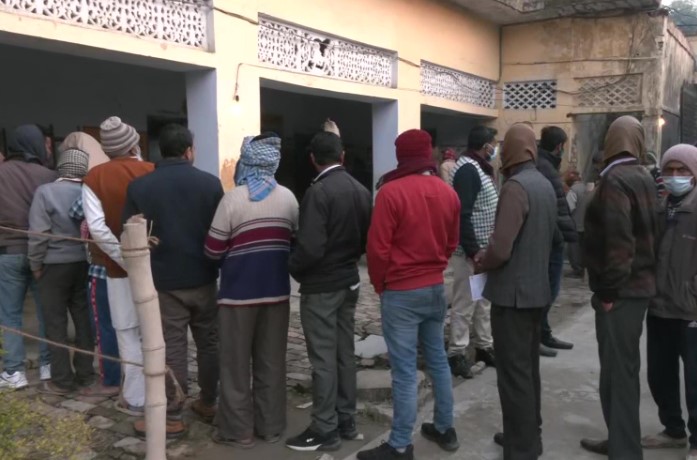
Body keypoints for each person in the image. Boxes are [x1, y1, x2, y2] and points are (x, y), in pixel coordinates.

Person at [359, 129, 460, 460]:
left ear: (401, 155)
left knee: (403, 371)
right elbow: (451, 242)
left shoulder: (390, 193)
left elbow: (377, 249)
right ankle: (445, 427)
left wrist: (380, 284)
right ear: (428, 153)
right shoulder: (448, 193)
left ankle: (401, 444)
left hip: (401, 291)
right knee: (438, 360)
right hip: (435, 288)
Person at [123, 124, 224, 438]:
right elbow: (220, 231)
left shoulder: (141, 187)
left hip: (164, 282)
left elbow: (128, 234)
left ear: (158, 151)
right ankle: (209, 402)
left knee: (173, 347)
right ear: (189, 150)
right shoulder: (210, 184)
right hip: (205, 277)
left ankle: (173, 417)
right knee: (209, 344)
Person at [205, 133, 298, 448]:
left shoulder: (232, 199)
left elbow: (212, 249)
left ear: (246, 162)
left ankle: (237, 430)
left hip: (236, 298)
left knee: (234, 365)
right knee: (272, 362)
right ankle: (271, 426)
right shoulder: (288, 198)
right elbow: (294, 243)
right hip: (276, 295)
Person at [285, 131, 372, 452]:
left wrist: (292, 267)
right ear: (343, 155)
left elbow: (310, 247)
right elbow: (365, 238)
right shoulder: (361, 190)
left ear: (313, 159)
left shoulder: (318, 193)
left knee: (323, 358)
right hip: (349, 279)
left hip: (322, 286)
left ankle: (325, 428)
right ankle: (345, 419)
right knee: (343, 353)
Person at [580, 116, 659, 458]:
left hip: (621, 292)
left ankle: (624, 449)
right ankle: (619, 440)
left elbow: (619, 243)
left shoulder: (614, 181)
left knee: (618, 372)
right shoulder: (643, 176)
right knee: (621, 369)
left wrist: (609, 293)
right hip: (638, 287)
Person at [477, 123, 557, 460]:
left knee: (513, 375)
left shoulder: (514, 187)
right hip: (537, 291)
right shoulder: (544, 184)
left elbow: (501, 248)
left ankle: (521, 447)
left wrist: (483, 258)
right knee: (528, 371)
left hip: (512, 297)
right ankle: (526, 434)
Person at [83, 116, 154, 415]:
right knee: (154, 331)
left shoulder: (94, 177)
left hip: (116, 270)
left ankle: (136, 399)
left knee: (126, 331)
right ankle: (159, 392)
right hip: (153, 267)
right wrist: (140, 256)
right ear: (133, 144)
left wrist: (123, 256)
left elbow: (97, 228)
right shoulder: (151, 170)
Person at [641, 144, 697, 459]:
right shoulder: (662, 207)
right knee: (659, 374)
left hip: (691, 309)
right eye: (670, 170)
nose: (675, 177)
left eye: (683, 171)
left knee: (695, 380)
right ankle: (673, 430)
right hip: (660, 305)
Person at [28, 149, 94, 394]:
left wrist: (35, 265)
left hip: (53, 265)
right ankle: (86, 374)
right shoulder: (88, 192)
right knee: (83, 319)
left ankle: (62, 380)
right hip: (82, 263)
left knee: (55, 323)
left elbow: (38, 235)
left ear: (61, 166)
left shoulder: (45, 192)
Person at [63, 132, 120, 397]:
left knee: (105, 325)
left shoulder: (96, 178)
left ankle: (111, 378)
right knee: (134, 326)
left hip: (103, 266)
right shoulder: (145, 172)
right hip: (138, 267)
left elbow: (77, 212)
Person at [0, 125, 56, 389]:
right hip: (42, 254)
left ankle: (15, 372)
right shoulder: (49, 175)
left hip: (7, 253)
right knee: (46, 313)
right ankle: (47, 366)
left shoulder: (2, 172)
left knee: (9, 315)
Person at [446, 126, 498, 379]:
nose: (495, 148)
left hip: (482, 251)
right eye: (493, 143)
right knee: (465, 302)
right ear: (485, 145)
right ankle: (456, 353)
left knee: (482, 302)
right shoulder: (468, 170)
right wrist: (473, 250)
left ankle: (484, 347)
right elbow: (462, 214)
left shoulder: (479, 168)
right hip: (470, 252)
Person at [536, 126, 577, 357]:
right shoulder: (543, 167)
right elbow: (550, 206)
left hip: (554, 238)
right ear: (559, 145)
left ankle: (544, 332)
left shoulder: (547, 165)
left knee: (550, 289)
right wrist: (559, 235)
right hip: (550, 239)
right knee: (547, 291)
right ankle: (536, 335)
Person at [565, 170, 591, 278]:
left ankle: (577, 269)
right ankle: (584, 268)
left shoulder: (573, 190)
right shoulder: (587, 188)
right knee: (583, 247)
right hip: (587, 223)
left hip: (575, 223)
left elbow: (569, 207)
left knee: (574, 248)